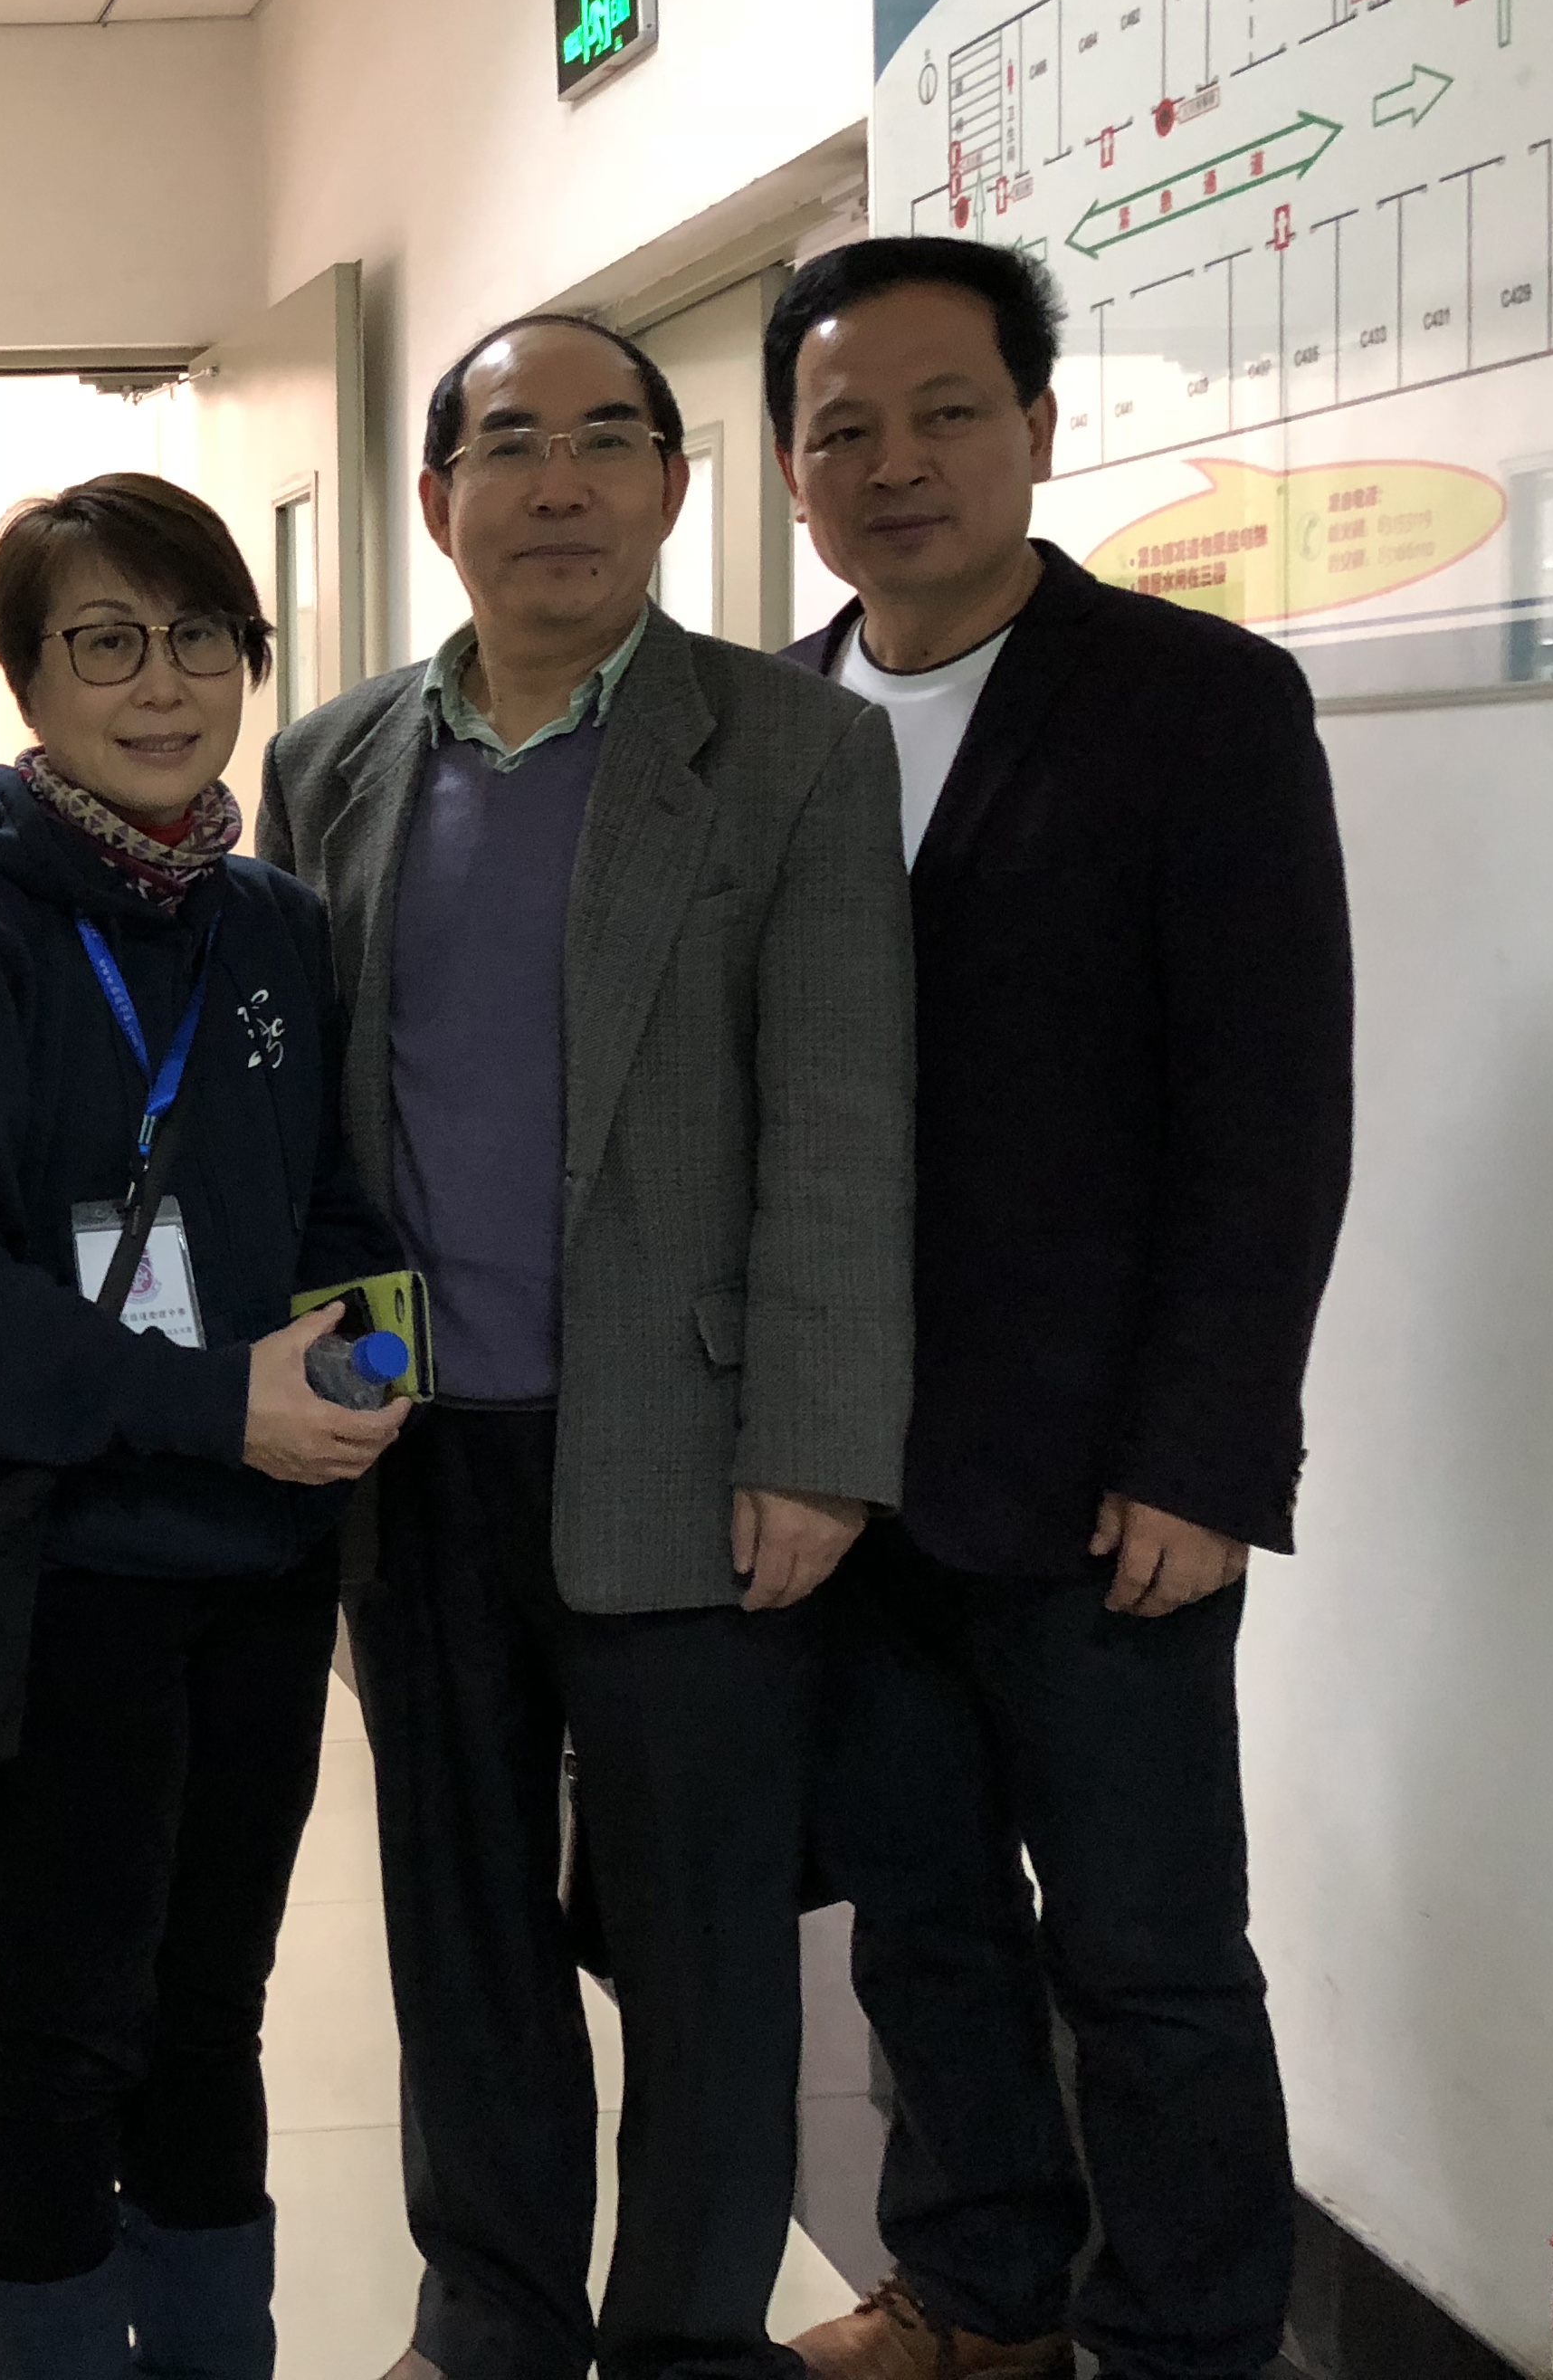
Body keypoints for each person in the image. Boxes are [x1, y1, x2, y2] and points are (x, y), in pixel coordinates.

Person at [259, 312, 917, 2380]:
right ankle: (493, 2320)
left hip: (691, 1444)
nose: (559, 483)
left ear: (675, 482)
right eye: (511, 445)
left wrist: (817, 1444)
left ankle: (691, 2341)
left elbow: (841, 1118)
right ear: (435, 497)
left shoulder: (794, 750)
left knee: (705, 1950)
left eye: (607, 440)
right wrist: (324, 1393)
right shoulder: (332, 763)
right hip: (417, 1452)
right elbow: (307, 1133)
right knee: (459, 1931)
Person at [766, 238, 1352, 2380]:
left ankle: (1189, 2341)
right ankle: (977, 2291)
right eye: (845, 428)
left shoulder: (1195, 705)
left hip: (1107, 1483)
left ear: (1036, 424)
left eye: (948, 412)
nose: (896, 463)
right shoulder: (761, 723)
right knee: (922, 1924)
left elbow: (1271, 1115)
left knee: (1151, 1958)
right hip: (843, 1480)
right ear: (791, 467)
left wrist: (1208, 1455)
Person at [0, 472, 408, 2379]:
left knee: (216, 2006)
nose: (161, 685)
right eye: (104, 643)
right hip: (66, 1570)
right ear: (28, 677)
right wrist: (209, 1402)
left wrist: (356, 1365)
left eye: (197, 638)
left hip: (260, 1562)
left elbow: (328, 1199)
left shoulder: (273, 922)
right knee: (73, 2020)